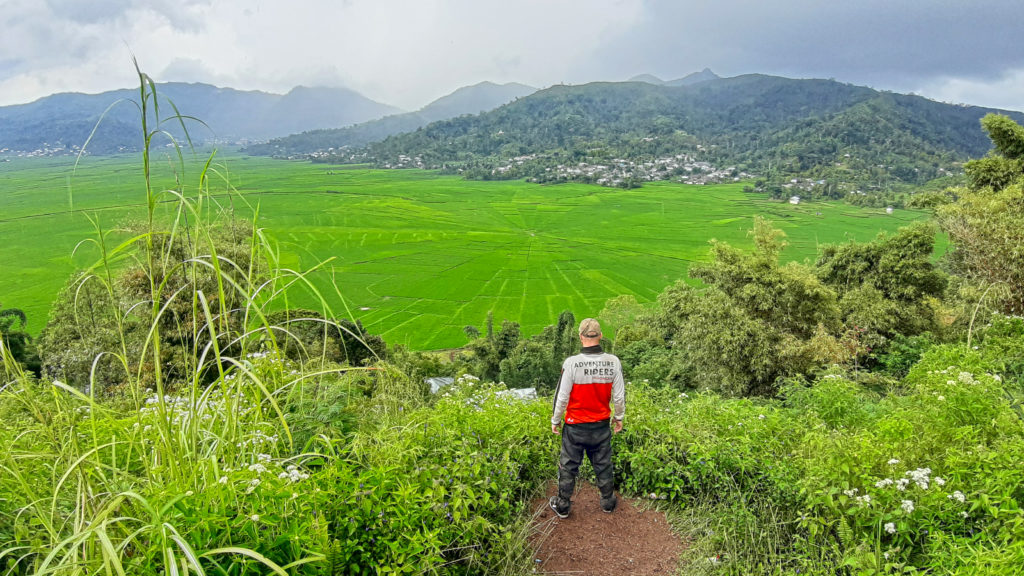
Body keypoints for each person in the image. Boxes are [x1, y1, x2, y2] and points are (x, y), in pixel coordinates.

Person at [549, 318, 625, 518]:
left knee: (568, 466)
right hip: (600, 426)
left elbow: (562, 396)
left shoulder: (571, 363)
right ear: (600, 336)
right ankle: (608, 502)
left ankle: (563, 506)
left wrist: (555, 420)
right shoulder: (613, 362)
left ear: (581, 337)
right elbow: (618, 396)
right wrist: (619, 417)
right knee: (603, 464)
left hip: (575, 426)